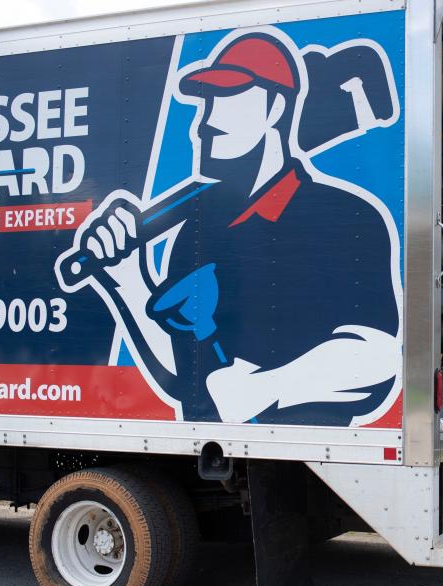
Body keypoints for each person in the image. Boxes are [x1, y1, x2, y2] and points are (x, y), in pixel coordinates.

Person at [58, 31, 400, 425]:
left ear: (274, 108)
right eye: (204, 104)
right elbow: (182, 378)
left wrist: (267, 387)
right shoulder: (199, 231)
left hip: (304, 449)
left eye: (226, 100)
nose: (203, 123)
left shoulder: (346, 216)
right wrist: (127, 280)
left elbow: (376, 354)